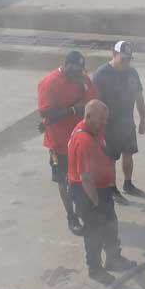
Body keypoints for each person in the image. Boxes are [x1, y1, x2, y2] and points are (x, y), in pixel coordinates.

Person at [68, 100, 136, 284]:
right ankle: (95, 268)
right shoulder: (84, 141)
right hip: (87, 193)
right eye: (101, 120)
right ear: (88, 116)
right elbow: (85, 177)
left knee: (110, 225)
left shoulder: (93, 129)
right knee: (94, 232)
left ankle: (113, 258)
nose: (104, 123)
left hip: (100, 189)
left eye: (106, 119)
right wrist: (96, 202)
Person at [37, 50, 98, 235]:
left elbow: (93, 102)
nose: (79, 74)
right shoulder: (49, 83)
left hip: (81, 139)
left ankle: (85, 209)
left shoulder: (83, 79)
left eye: (81, 70)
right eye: (75, 70)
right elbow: (45, 114)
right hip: (59, 143)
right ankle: (71, 216)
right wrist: (72, 110)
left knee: (84, 176)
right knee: (64, 180)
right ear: (65, 65)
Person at [91, 41, 145, 203]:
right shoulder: (102, 74)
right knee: (110, 158)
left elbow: (139, 97)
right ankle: (112, 188)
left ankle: (128, 184)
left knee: (128, 153)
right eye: (123, 59)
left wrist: (142, 119)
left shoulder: (132, 73)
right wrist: (97, 125)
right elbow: (95, 102)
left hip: (127, 121)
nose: (126, 63)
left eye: (128, 59)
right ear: (113, 55)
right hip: (108, 125)